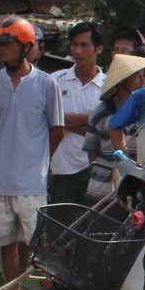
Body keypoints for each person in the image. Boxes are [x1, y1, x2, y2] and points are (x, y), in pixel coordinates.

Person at [0, 16, 64, 284]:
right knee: (6, 243)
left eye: (8, 43)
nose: (2, 49)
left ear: (26, 46)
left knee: (40, 245)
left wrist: (42, 162)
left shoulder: (47, 84)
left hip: (31, 180)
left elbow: (57, 130)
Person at [84, 50, 145, 204]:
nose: (143, 81)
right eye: (138, 76)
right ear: (123, 81)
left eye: (144, 75)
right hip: (103, 189)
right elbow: (92, 152)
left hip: (136, 191)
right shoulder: (101, 113)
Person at [48, 21, 106, 205]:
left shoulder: (109, 85)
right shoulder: (56, 79)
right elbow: (53, 120)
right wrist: (92, 118)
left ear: (99, 49)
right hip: (61, 170)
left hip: (96, 171)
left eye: (84, 45)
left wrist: (67, 123)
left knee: (93, 231)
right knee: (60, 230)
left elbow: (107, 129)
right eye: (74, 44)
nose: (78, 51)